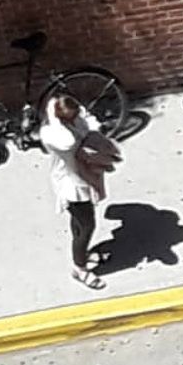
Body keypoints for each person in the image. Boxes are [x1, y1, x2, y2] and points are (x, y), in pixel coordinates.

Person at [41, 96, 120, 290]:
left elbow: (86, 118)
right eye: (71, 118)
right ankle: (80, 268)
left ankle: (82, 254)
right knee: (87, 226)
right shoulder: (56, 136)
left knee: (77, 222)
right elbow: (71, 141)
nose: (76, 119)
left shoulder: (65, 121)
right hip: (73, 185)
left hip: (78, 178)